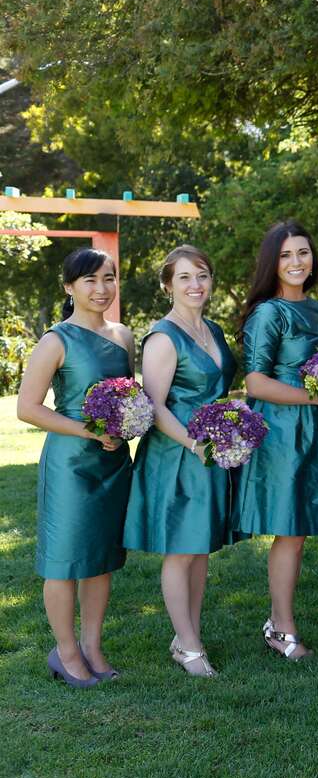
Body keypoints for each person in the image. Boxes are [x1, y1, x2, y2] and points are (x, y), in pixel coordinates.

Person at [233, 220, 318, 660]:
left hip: (313, 426)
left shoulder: (314, 307)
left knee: (299, 532)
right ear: (273, 261)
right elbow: (255, 381)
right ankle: (282, 629)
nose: (296, 262)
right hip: (282, 430)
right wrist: (317, 397)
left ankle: (278, 621)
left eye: (303, 253)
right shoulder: (269, 313)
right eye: (287, 255)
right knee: (289, 531)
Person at [17, 248, 134, 687]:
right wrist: (87, 432)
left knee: (100, 559)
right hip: (71, 463)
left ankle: (92, 646)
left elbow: (127, 394)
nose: (101, 289)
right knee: (64, 562)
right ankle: (65, 653)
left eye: (109, 278)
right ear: (69, 287)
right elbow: (27, 409)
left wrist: (129, 422)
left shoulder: (123, 336)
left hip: (113, 461)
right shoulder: (56, 340)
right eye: (90, 280)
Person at [123, 246, 239, 677]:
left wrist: (231, 426)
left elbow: (219, 393)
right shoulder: (163, 337)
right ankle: (188, 647)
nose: (196, 285)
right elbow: (154, 406)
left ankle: (187, 633)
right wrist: (196, 445)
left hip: (210, 451)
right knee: (180, 551)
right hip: (177, 454)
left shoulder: (213, 330)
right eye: (185, 277)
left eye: (202, 276)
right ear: (168, 284)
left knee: (200, 548)